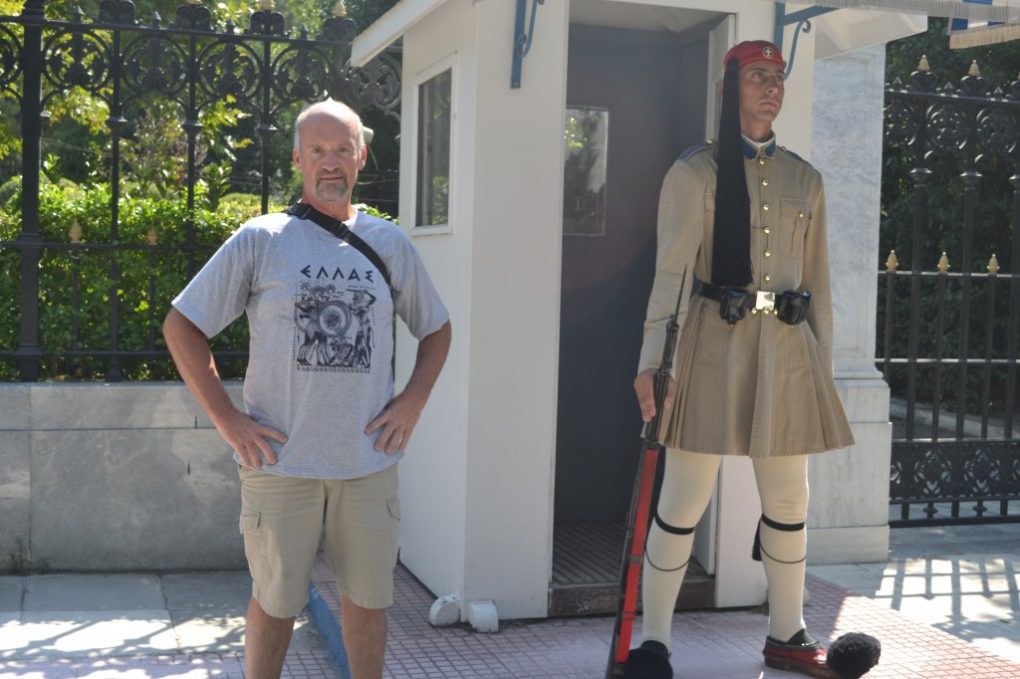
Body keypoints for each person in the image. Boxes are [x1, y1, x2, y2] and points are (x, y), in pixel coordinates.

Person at [163, 99, 451, 679]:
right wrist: (228, 420)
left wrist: (413, 401)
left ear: (361, 156)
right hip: (280, 462)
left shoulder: (389, 243)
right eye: (317, 150)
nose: (330, 163)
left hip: (367, 464)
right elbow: (182, 326)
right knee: (275, 603)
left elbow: (438, 330)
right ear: (297, 158)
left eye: (342, 149)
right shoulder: (261, 238)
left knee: (369, 602)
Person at [626, 41, 856, 679]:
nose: (771, 87)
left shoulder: (805, 179)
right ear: (730, 88)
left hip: (785, 353)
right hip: (707, 346)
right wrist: (653, 361)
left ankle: (788, 634)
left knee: (789, 504)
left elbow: (821, 287)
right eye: (758, 76)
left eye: (778, 77)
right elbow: (670, 276)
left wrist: (822, 373)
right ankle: (656, 643)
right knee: (682, 504)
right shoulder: (695, 173)